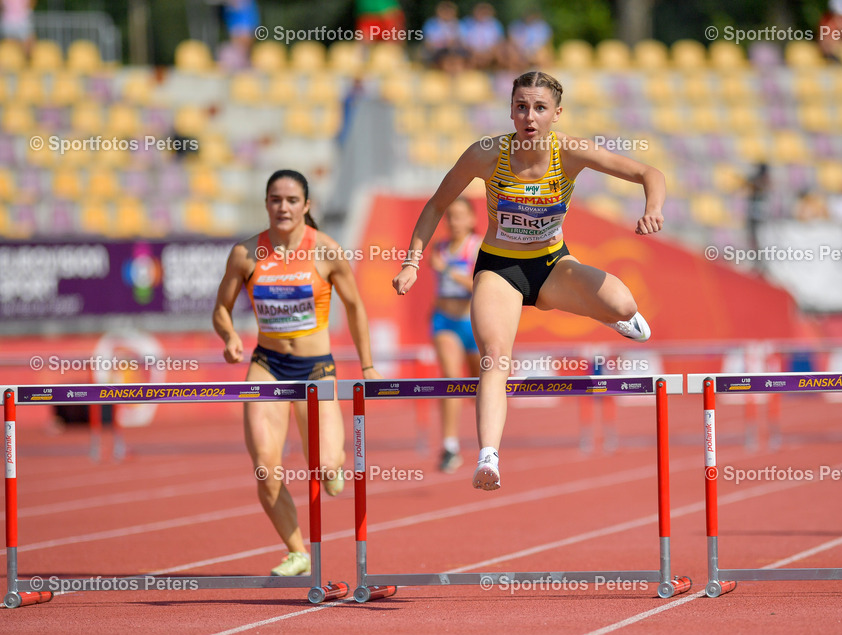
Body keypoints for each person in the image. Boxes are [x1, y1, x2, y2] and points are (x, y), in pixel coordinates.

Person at [392, 71, 662, 491]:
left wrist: (653, 208)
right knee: (495, 359)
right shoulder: (486, 153)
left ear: (557, 113)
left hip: (553, 266)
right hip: (500, 270)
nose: (529, 116)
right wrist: (411, 262)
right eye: (521, 107)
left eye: (539, 108)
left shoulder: (570, 151)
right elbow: (436, 204)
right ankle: (488, 457)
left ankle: (607, 315)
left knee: (625, 305)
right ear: (511, 111)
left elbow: (650, 173)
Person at [214, 169, 380, 576]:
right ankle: (297, 552)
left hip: (316, 369)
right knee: (266, 468)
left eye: (291, 200)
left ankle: (332, 465)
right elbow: (221, 308)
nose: (283, 207)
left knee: (324, 467)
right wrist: (230, 336)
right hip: (267, 366)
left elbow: (356, 308)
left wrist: (369, 366)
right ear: (266, 204)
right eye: (275, 200)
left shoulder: (326, 251)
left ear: (306, 206)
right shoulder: (246, 254)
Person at [430, 197, 484, 473]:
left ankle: (487, 445)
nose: (454, 221)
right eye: (450, 216)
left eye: (460, 216)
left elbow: (479, 285)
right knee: (451, 379)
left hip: (473, 323)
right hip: (445, 322)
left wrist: (448, 270)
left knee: (482, 384)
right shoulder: (439, 248)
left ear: (472, 219)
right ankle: (449, 446)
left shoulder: (477, 247)